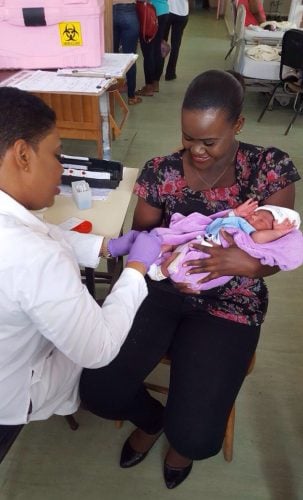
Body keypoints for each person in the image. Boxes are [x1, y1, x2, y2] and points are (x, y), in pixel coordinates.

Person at [79, 70, 301, 489]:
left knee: (197, 436)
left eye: (209, 141)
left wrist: (244, 264)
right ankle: (153, 419)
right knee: (99, 390)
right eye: (188, 138)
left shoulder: (269, 169)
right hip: (164, 288)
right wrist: (164, 265)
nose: (196, 150)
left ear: (237, 125)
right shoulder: (160, 173)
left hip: (232, 301)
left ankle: (181, 442)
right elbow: (146, 238)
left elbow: (278, 250)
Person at [0, 87, 163, 425]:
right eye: (57, 154)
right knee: (107, 373)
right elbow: (97, 348)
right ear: (23, 155)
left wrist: (106, 247)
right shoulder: (34, 256)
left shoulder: (21, 234)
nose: (61, 169)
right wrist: (135, 269)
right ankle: (150, 419)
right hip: (14, 392)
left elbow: (37, 232)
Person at [148, 201, 303, 290]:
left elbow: (258, 238)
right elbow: (221, 222)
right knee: (176, 246)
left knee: (183, 260)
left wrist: (278, 233)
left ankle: (159, 272)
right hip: (203, 239)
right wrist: (235, 212)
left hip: (213, 252)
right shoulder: (241, 222)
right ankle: (160, 257)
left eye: (262, 220)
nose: (255, 217)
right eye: (256, 213)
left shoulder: (251, 233)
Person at [136, 0, 169, 96]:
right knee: (156, 50)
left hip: (150, 12)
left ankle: (149, 86)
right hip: (164, 11)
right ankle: (155, 83)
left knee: (148, 51)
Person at [113, 0, 142, 105]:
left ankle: (111, 93)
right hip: (129, 11)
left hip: (110, 11)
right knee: (130, 57)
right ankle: (131, 96)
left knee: (112, 57)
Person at [160, 0, 189, 81]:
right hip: (182, 12)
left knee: (162, 42)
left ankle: (158, 71)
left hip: (167, 10)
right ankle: (170, 73)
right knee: (176, 45)